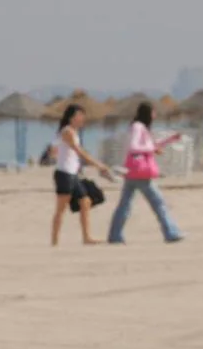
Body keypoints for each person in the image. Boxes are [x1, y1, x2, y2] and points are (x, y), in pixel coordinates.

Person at [107, 102, 184, 244]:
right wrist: (151, 149)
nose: (155, 115)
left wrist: (170, 139)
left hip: (134, 172)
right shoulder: (138, 127)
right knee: (158, 202)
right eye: (153, 112)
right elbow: (134, 146)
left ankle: (115, 235)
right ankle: (171, 232)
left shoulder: (141, 128)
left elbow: (149, 145)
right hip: (140, 172)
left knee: (125, 204)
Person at [51, 104, 112, 246]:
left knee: (85, 201)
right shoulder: (67, 132)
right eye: (80, 115)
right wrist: (99, 165)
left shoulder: (73, 132)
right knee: (61, 209)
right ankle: (54, 241)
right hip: (64, 174)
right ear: (72, 117)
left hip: (73, 174)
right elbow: (79, 152)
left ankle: (86, 237)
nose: (82, 118)